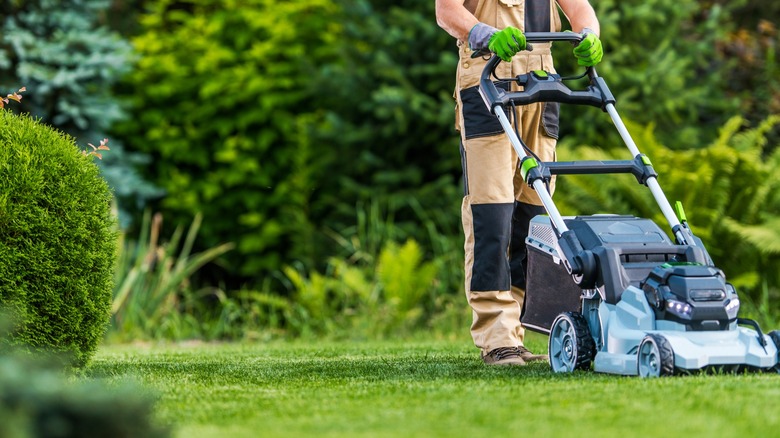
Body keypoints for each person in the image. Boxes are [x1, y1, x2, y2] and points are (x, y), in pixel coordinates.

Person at [434, 0, 603, 365]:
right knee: (491, 212)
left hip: (540, 84)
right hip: (486, 77)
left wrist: (589, 34)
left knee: (535, 216)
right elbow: (446, 11)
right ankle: (497, 335)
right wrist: (485, 35)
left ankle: (518, 332)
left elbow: (580, 9)